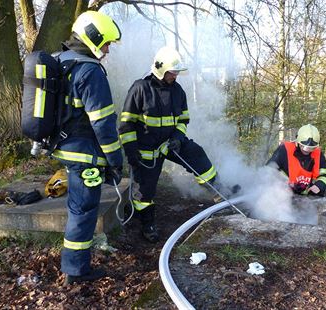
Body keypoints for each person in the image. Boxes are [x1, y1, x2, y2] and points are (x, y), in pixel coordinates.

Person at [118, 46, 237, 243]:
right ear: (160, 69)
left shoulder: (178, 91)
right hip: (146, 150)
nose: (176, 76)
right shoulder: (140, 88)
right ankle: (146, 223)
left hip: (170, 143)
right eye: (173, 72)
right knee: (144, 190)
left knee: (197, 155)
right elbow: (126, 123)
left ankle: (220, 193)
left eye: (176, 72)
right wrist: (131, 152)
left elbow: (183, 120)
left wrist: (178, 139)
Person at [50, 11, 123, 285]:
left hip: (64, 147)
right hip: (83, 155)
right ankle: (76, 271)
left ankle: (74, 266)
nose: (106, 50)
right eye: (105, 44)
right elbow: (103, 124)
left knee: (77, 208)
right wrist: (115, 160)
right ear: (93, 38)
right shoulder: (90, 70)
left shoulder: (61, 62)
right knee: (83, 211)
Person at [266, 124, 326, 196]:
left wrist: (319, 185)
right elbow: (268, 172)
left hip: (308, 198)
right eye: (305, 147)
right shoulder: (284, 150)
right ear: (298, 142)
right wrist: (284, 184)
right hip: (284, 196)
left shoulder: (318, 154)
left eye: (312, 148)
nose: (308, 151)